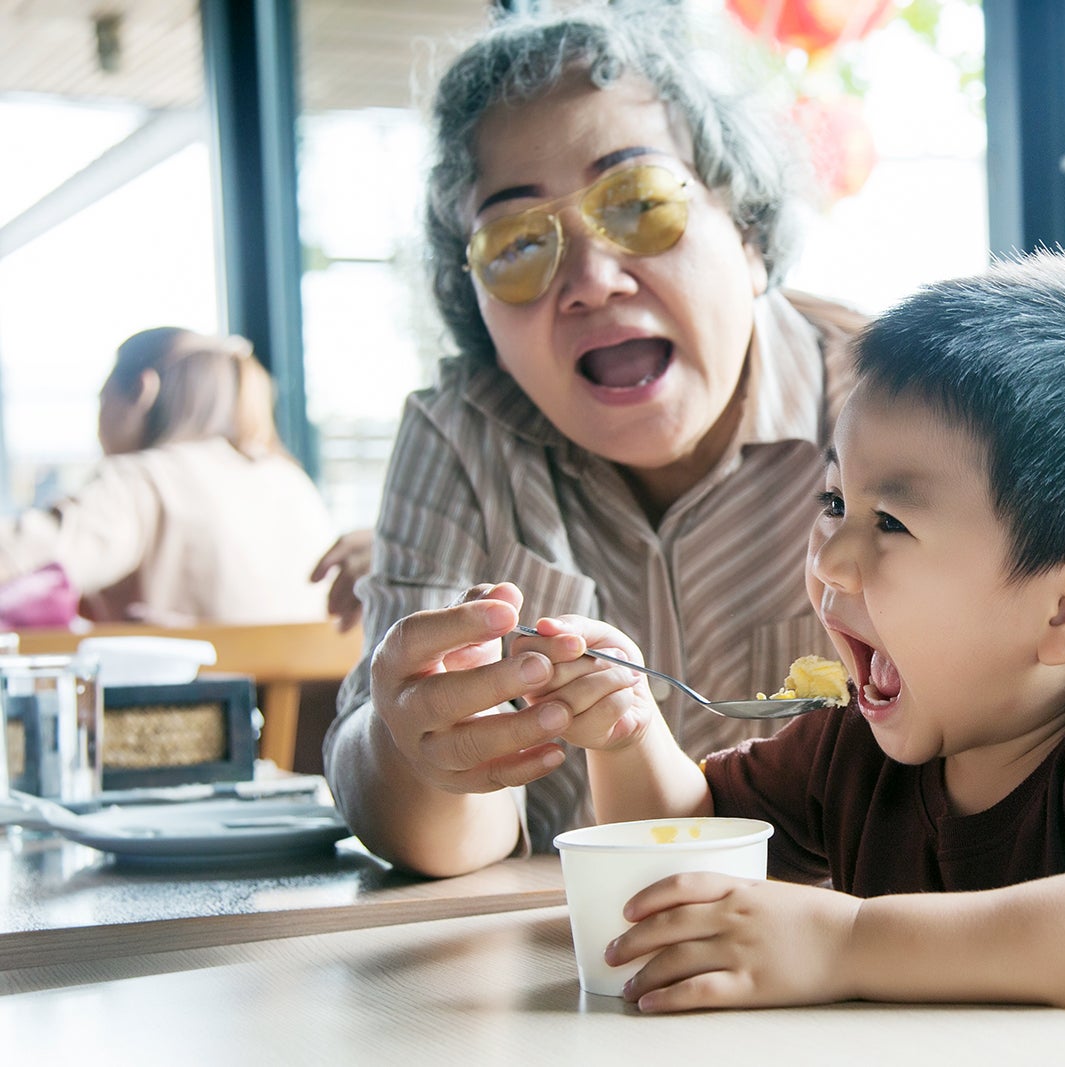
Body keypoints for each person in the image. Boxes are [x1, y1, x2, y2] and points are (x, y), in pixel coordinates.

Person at [525, 251, 1065, 1066]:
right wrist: (624, 731)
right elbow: (688, 842)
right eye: (834, 501)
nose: (830, 559)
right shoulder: (862, 742)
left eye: (890, 521)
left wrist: (850, 941)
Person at [322, 2, 865, 876]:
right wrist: (407, 744)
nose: (588, 279)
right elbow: (441, 839)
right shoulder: (465, 435)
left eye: (641, 202)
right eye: (516, 245)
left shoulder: (896, 406)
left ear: (751, 236)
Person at [0, 327, 337, 626]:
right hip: (306, 698)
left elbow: (21, 556)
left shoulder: (143, 478)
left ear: (141, 391)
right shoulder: (292, 481)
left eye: (103, 399)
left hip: (195, 698)